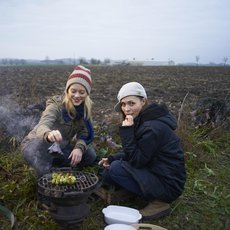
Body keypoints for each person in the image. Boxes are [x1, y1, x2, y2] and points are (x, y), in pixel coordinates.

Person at [99, 82, 186, 220]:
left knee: (115, 169)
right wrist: (111, 158)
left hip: (168, 184)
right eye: (123, 104)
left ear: (143, 101)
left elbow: (137, 160)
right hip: (154, 171)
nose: (126, 109)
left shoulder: (152, 127)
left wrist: (127, 131)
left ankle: (160, 202)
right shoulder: (143, 120)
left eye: (131, 103)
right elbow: (139, 151)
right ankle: (135, 191)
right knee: (108, 172)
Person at [21, 65, 96, 178]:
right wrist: (48, 134)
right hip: (36, 144)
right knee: (38, 152)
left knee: (90, 155)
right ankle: (46, 172)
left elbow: (85, 133)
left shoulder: (85, 110)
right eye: (73, 91)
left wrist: (78, 148)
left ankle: (58, 168)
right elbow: (43, 125)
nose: (77, 95)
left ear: (87, 93)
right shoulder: (56, 105)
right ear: (67, 91)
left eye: (82, 92)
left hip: (59, 147)